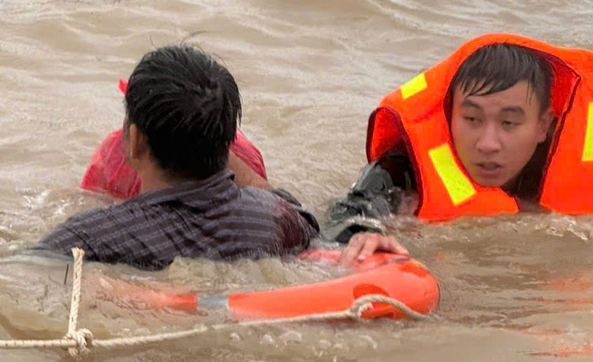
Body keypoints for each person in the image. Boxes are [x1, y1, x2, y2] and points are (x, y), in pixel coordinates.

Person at [35, 44, 322, 270]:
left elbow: (25, 270)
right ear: (227, 144)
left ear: (134, 142)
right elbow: (302, 218)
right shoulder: (280, 221)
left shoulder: (88, 238)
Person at [324, 33, 593, 239]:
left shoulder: (571, 170)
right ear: (451, 114)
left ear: (543, 126)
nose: (488, 144)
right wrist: (366, 238)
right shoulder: (406, 169)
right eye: (472, 119)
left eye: (509, 123)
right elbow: (348, 219)